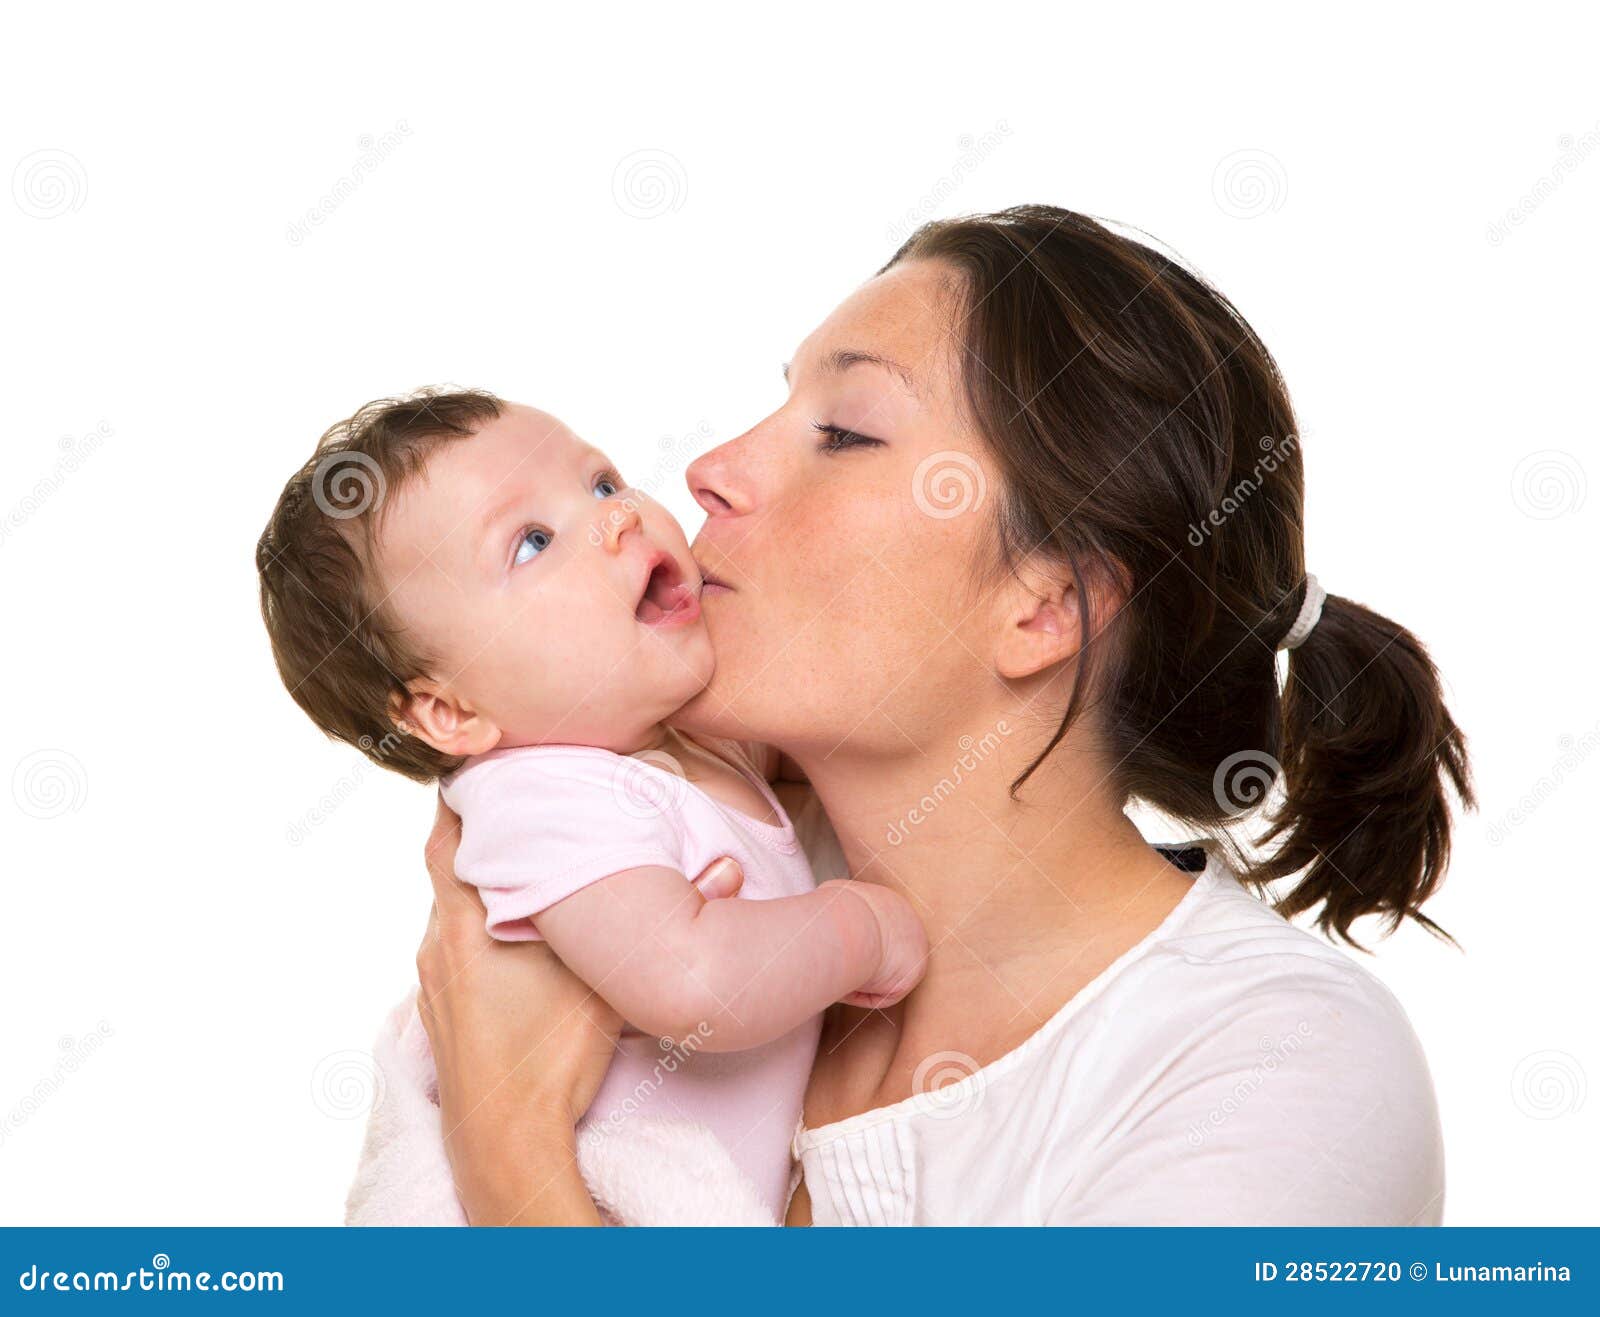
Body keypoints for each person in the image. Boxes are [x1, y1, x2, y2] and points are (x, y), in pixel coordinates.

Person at [414, 205, 1473, 1226]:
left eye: (842, 432)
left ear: (1043, 607)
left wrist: (505, 1146)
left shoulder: (1269, 1064)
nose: (709, 471)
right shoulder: (671, 884)